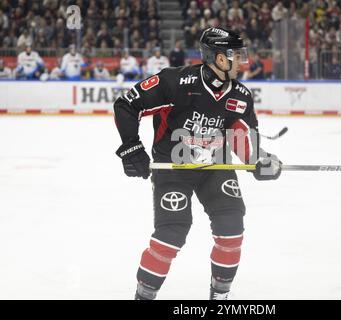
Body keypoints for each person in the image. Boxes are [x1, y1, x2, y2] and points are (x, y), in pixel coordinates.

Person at [113, 27, 282, 300]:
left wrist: (259, 161)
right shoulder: (174, 82)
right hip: (173, 167)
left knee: (231, 226)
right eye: (235, 55)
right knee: (172, 233)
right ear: (217, 58)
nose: (241, 61)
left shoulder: (240, 96)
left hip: (215, 165)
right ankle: (143, 296)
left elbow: (243, 137)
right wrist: (131, 148)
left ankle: (220, 297)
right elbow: (126, 105)